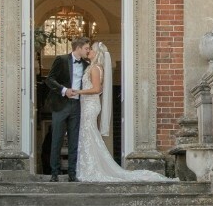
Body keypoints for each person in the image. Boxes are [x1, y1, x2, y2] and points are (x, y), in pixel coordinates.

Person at [74, 41, 173, 183]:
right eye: (87, 49)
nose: (88, 51)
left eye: (91, 50)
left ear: (97, 53)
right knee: (88, 135)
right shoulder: (94, 67)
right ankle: (88, 167)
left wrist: (78, 91)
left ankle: (91, 169)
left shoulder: (95, 68)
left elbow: (97, 89)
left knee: (88, 134)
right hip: (89, 105)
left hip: (90, 105)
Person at [45, 35, 91, 182]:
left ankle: (72, 173)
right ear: (78, 48)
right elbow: (49, 79)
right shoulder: (62, 60)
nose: (88, 51)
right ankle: (54, 173)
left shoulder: (86, 65)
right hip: (60, 105)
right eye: (86, 48)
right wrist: (64, 90)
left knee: (74, 140)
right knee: (56, 139)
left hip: (77, 106)